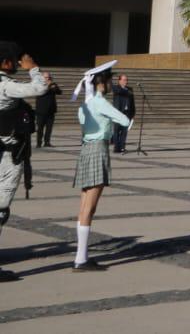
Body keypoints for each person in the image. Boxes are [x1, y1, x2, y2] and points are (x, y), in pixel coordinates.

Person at [68, 62, 129, 273]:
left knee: (84, 205)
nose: (112, 83)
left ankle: (81, 255)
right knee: (90, 207)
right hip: (97, 151)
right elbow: (123, 119)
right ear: (102, 82)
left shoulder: (85, 104)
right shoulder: (99, 102)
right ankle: (81, 259)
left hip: (86, 150)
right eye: (110, 80)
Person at [0, 43, 48, 282]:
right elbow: (39, 88)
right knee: (0, 207)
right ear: (6, 62)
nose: (18, 63)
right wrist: (34, 68)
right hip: (8, 156)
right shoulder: (6, 85)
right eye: (14, 60)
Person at [108, 74, 135, 154]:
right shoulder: (116, 88)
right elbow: (119, 91)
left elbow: (132, 101)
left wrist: (133, 112)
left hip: (127, 113)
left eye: (126, 80)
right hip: (118, 113)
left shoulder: (130, 89)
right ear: (119, 81)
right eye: (123, 80)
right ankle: (116, 148)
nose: (125, 81)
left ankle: (122, 147)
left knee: (124, 131)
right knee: (116, 131)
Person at [33, 73, 59, 148]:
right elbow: (40, 92)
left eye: (49, 77)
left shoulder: (53, 84)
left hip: (51, 111)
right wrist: (48, 86)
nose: (48, 79)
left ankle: (47, 142)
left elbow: (59, 92)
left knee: (49, 128)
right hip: (41, 111)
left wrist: (54, 86)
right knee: (40, 128)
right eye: (46, 77)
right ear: (42, 78)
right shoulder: (39, 85)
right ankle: (38, 143)